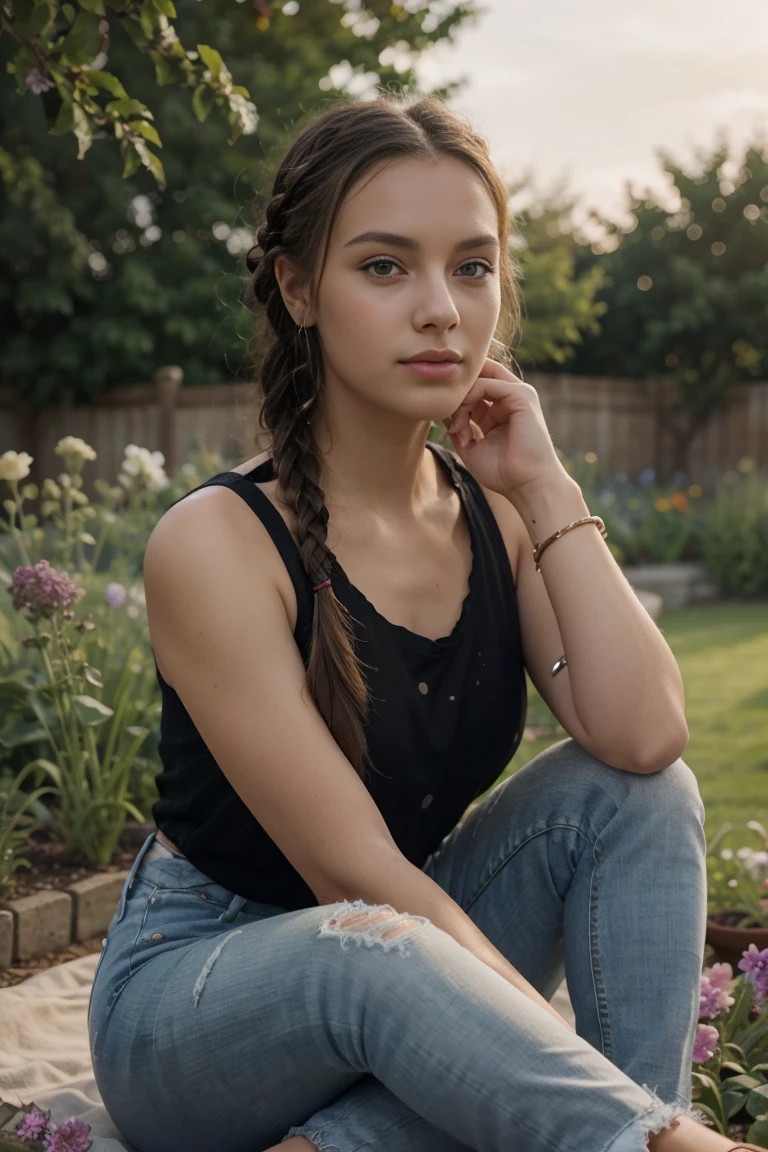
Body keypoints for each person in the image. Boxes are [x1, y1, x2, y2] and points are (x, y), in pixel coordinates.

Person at [87, 94, 757, 1152]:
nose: (442, 308)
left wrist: (543, 489)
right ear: (300, 289)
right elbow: (353, 881)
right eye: (386, 266)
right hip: (201, 999)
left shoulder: (492, 509)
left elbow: (643, 736)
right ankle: (657, 1141)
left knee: (638, 799)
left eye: (474, 266)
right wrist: (532, 1056)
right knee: (374, 944)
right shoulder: (218, 542)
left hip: (406, 954)